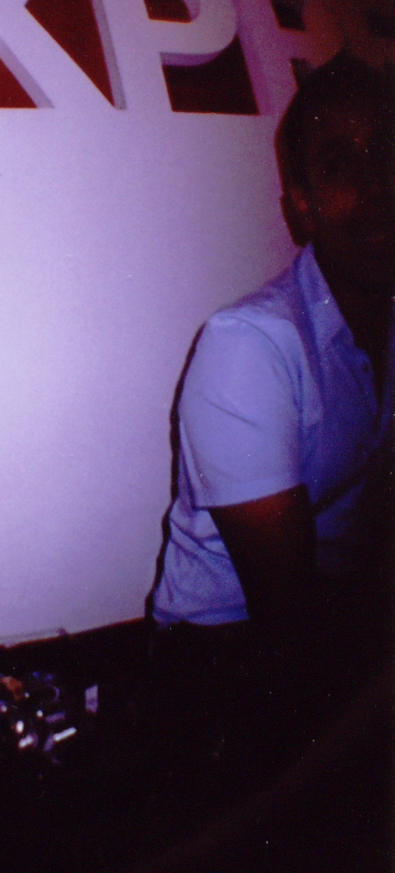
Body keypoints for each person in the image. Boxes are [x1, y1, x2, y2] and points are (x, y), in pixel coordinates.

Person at [150, 51, 393, 785]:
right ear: (301, 206)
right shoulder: (249, 346)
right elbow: (286, 609)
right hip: (223, 657)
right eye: (340, 165)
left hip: (334, 623)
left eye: (387, 154)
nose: (378, 186)